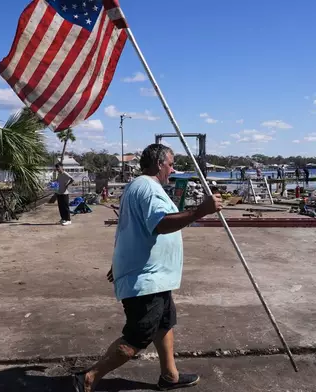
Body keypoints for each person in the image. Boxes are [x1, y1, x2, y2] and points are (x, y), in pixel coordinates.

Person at [73, 144, 223, 392]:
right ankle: (89, 378)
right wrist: (200, 211)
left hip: (156, 276)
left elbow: (129, 230)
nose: (172, 169)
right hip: (147, 279)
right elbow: (160, 224)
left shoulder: (137, 186)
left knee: (164, 324)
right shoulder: (149, 188)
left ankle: (169, 376)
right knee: (138, 336)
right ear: (158, 163)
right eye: (170, 164)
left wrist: (119, 261)